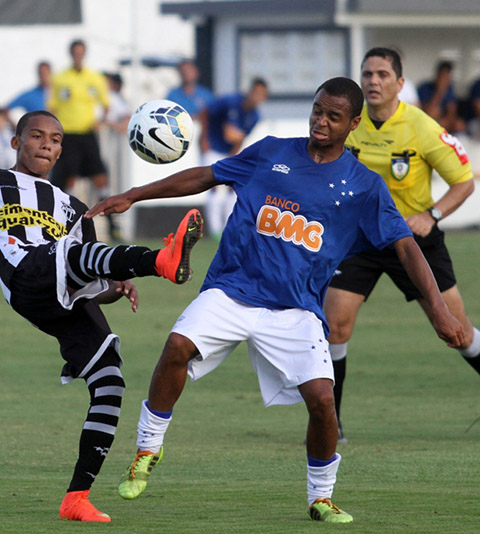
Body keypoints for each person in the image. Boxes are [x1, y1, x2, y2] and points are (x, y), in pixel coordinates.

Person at [86, 77, 464, 524]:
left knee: (323, 401)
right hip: (232, 290)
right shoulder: (271, 151)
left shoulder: (364, 186)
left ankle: (321, 498)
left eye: (333, 116)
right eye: (317, 110)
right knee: (176, 347)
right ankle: (148, 449)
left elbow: (405, 245)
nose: (321, 121)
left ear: (354, 124)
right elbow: (208, 175)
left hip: (296, 309)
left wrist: (439, 310)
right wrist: (133, 194)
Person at [0, 110, 203, 523]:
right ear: (16, 142)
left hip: (59, 290)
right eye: (37, 136)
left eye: (56, 139)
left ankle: (77, 498)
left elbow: (85, 282)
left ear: (62, 149)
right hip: (26, 276)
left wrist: (113, 284)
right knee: (74, 255)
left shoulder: (75, 208)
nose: (47, 144)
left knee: (110, 379)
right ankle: (160, 261)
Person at [326, 47, 479, 442]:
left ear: (399, 83)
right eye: (367, 74)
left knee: (457, 333)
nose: (373, 81)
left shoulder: (422, 127)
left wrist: (432, 215)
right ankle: (330, 421)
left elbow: (464, 182)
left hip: (414, 241)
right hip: (359, 239)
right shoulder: (350, 122)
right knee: (335, 326)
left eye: (381, 74)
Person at [203, 78, 268, 237]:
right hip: (212, 148)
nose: (256, 97)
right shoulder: (230, 101)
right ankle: (214, 230)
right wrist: (204, 139)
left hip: (228, 152)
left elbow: (240, 138)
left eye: (261, 95)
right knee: (212, 188)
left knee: (233, 188)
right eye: (255, 92)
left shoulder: (255, 117)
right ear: (250, 91)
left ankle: (227, 228)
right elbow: (206, 111)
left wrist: (233, 159)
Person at [48, 40, 110, 196]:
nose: (78, 56)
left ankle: (109, 214)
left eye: (80, 53)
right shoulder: (60, 78)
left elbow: (106, 105)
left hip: (87, 132)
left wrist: (101, 121)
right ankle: (64, 210)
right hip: (67, 133)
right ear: (71, 54)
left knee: (98, 173)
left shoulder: (95, 78)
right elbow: (52, 106)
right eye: (75, 53)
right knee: (68, 174)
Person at [166, 59, 216, 153]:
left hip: (202, 141)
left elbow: (213, 116)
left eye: (189, 71)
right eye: (183, 71)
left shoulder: (206, 94)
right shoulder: (173, 94)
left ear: (196, 72)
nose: (186, 74)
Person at [417, 60, 464, 133]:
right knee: (434, 115)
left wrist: (446, 120)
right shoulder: (425, 87)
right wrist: (439, 91)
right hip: (427, 119)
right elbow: (429, 112)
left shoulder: (450, 89)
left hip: (443, 120)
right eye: (444, 75)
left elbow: (452, 111)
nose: (446, 78)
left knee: (459, 124)